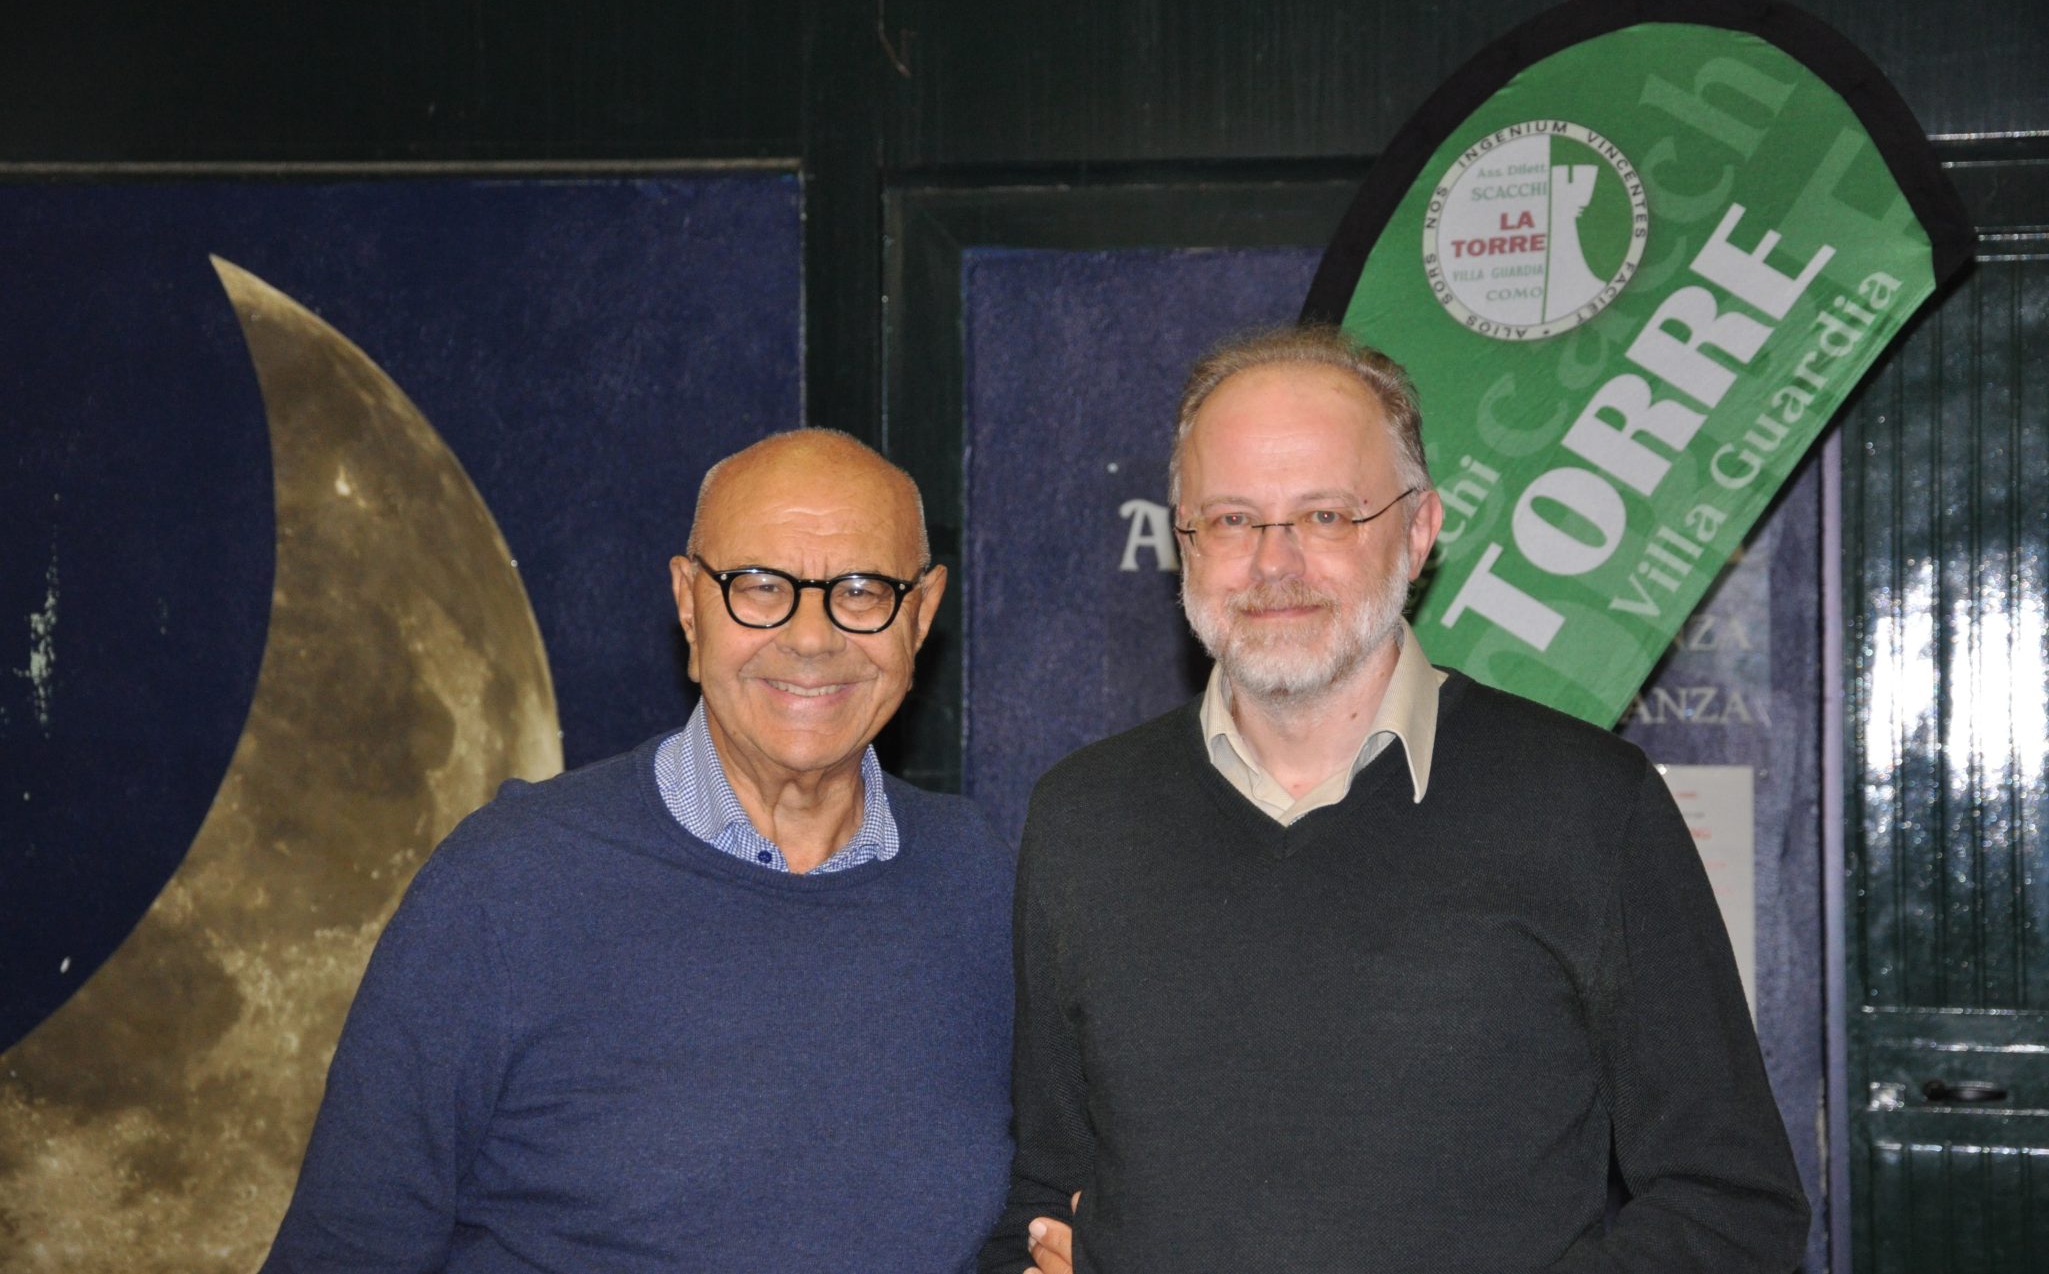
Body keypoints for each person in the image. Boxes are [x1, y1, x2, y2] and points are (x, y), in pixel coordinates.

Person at [983, 326, 1809, 1273]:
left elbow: (1731, 1207)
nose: (1273, 562)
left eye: (1326, 516)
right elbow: (1044, 1199)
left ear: (1418, 531)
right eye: (1231, 519)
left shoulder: (1587, 806)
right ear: (1182, 540)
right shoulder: (1083, 817)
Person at [264, 429, 1017, 1273]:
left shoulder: (988, 887)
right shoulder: (503, 891)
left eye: (861, 589)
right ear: (689, 602)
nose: (812, 636)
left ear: (920, 614)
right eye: (759, 586)